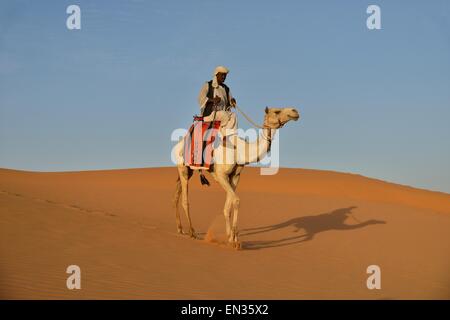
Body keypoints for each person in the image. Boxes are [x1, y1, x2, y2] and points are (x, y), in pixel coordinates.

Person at [197, 66, 238, 137]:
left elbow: (230, 102)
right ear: (216, 74)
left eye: (225, 75)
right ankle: (223, 136)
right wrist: (213, 100)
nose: (224, 77)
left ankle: (231, 136)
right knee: (224, 115)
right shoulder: (208, 85)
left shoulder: (226, 89)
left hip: (223, 113)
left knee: (234, 116)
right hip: (211, 114)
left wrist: (232, 102)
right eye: (222, 75)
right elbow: (200, 98)